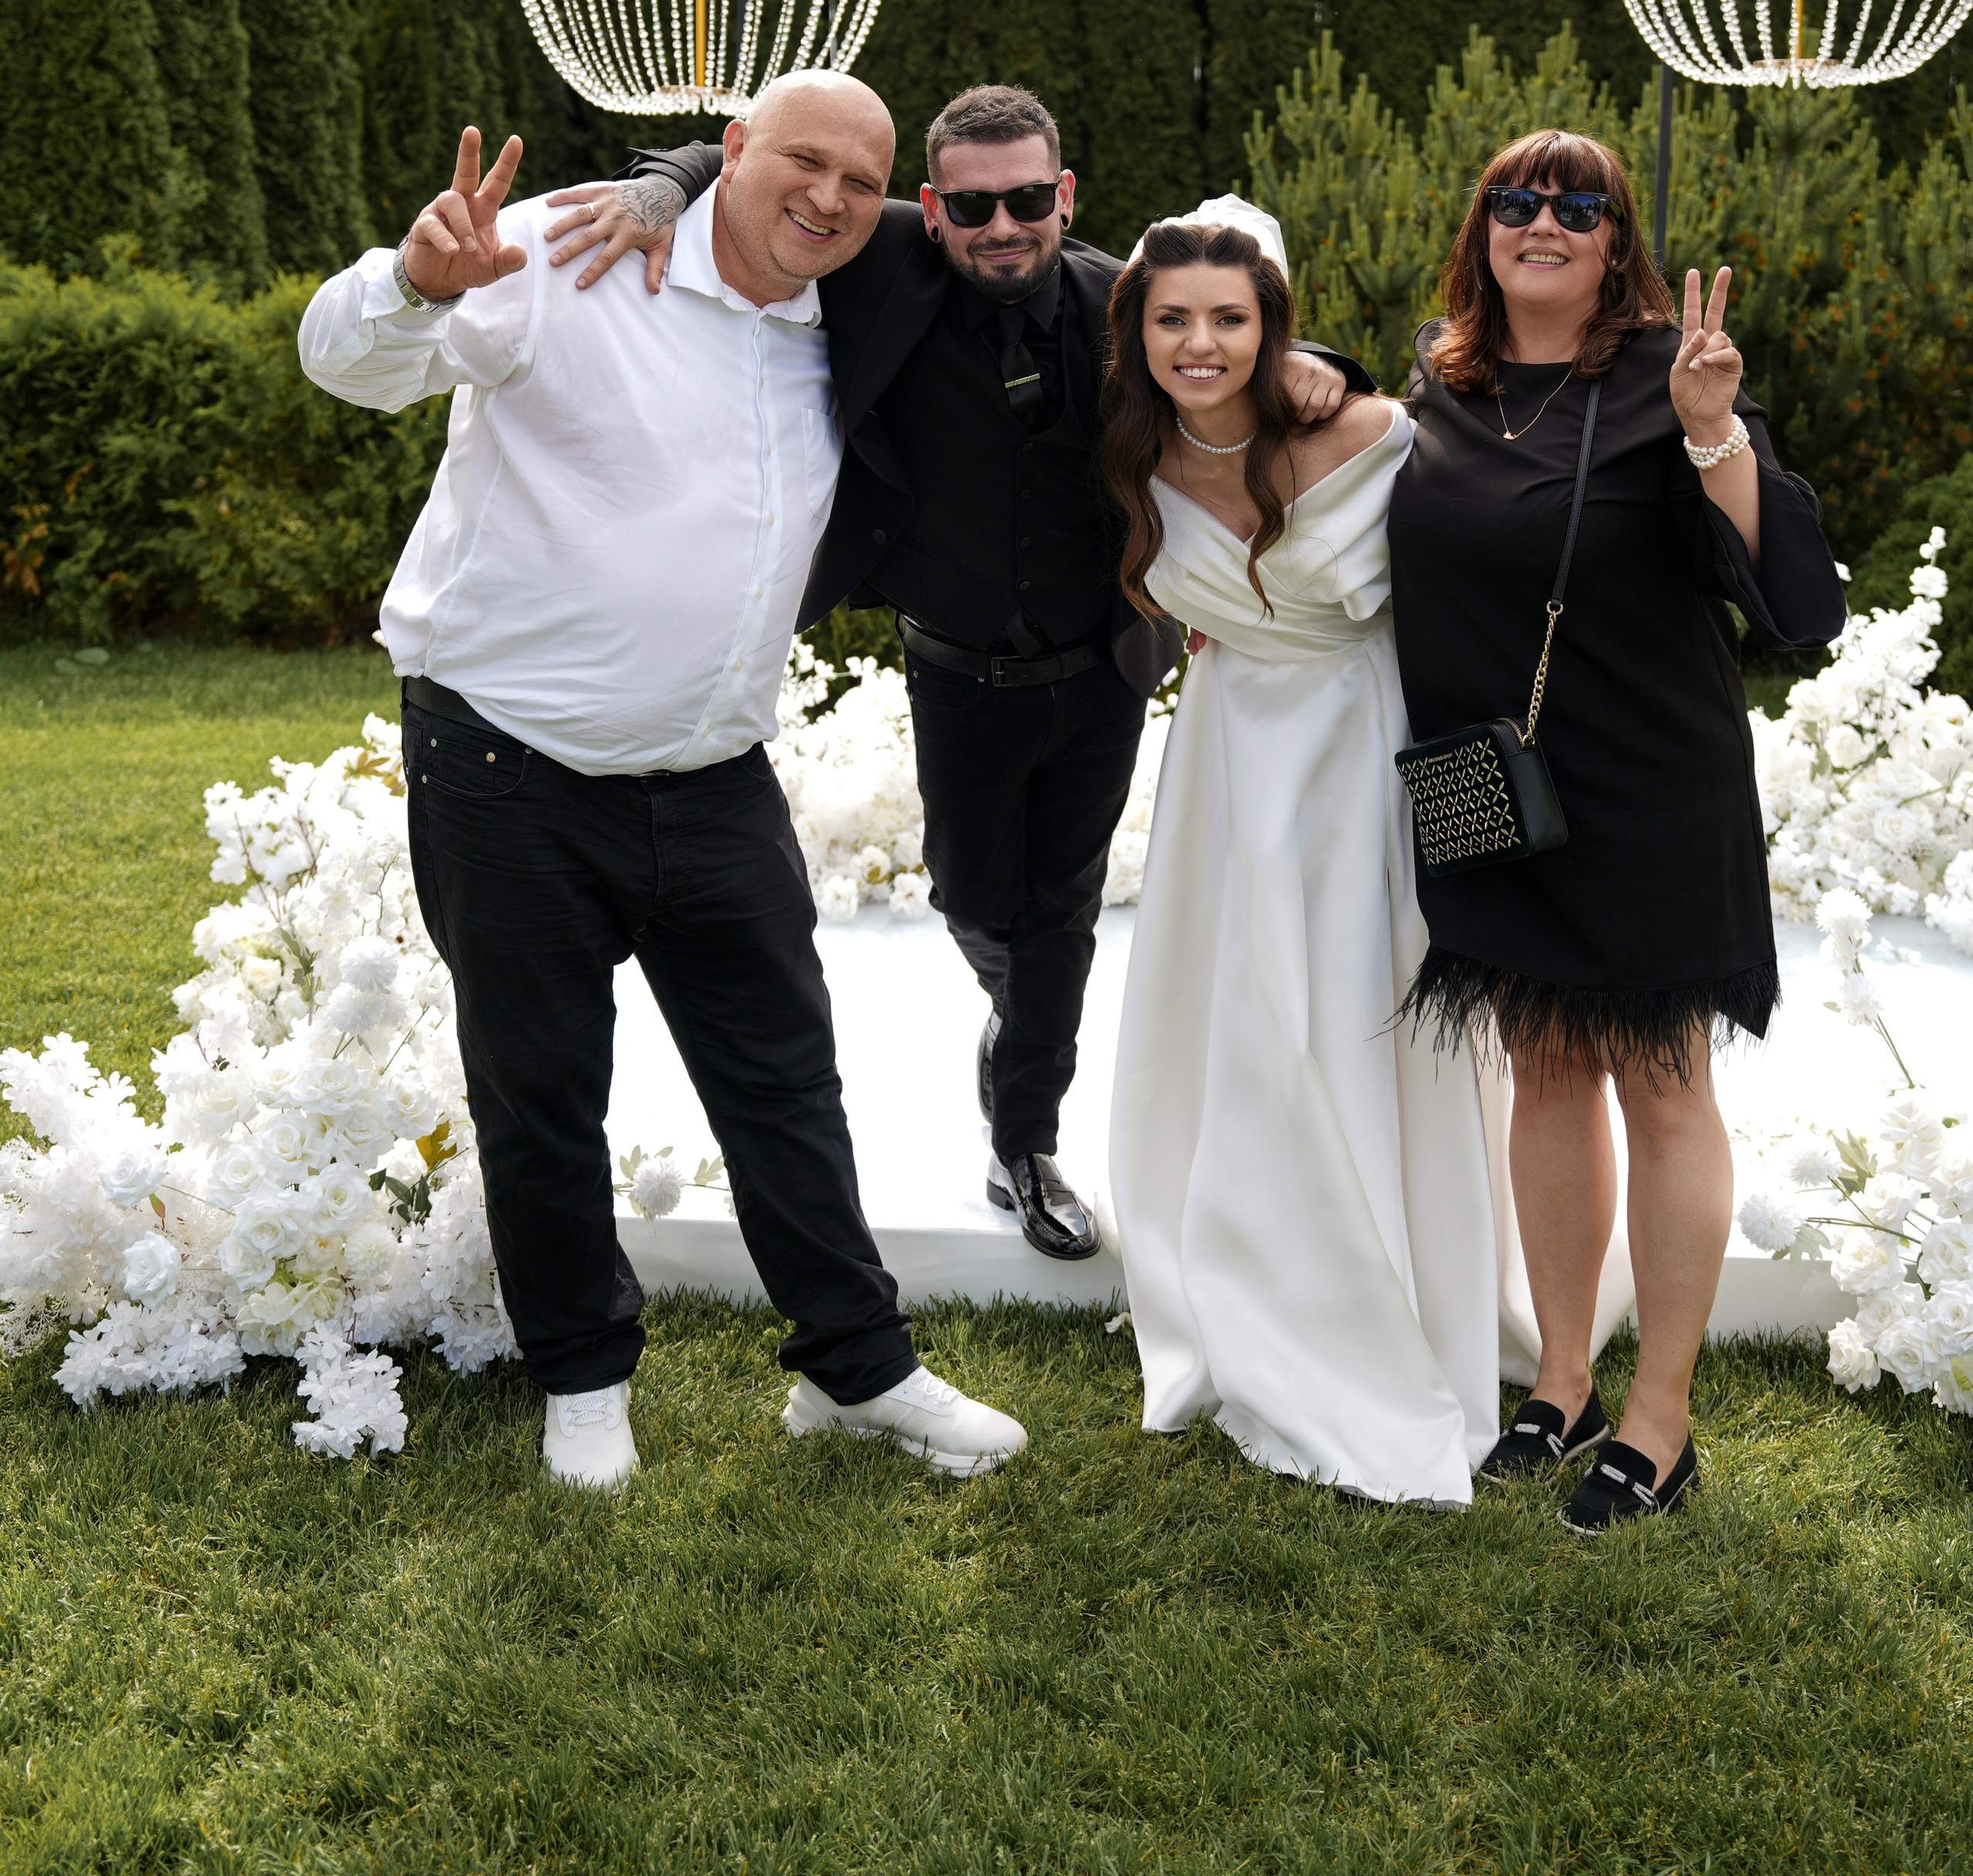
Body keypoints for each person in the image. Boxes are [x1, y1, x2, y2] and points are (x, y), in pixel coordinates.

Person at [296, 80, 1027, 1489]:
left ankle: (856, 1368)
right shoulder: (570, 254)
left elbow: (1037, 250)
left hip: (715, 775)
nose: (829, 199)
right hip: (508, 764)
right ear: (733, 150)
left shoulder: (858, 299)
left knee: (786, 1082)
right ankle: (581, 1379)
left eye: (861, 182)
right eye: (801, 161)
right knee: (541, 1092)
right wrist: (413, 282)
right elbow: (352, 365)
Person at [550, 88, 1370, 1263]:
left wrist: (1319, 368)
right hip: (955, 672)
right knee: (977, 904)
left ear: (1064, 196)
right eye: (973, 207)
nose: (1003, 226)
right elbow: (750, 167)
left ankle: (1024, 1143)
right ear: (931, 208)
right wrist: (658, 187)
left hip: (1104, 669)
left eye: (1027, 200)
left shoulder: (1122, 303)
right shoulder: (875, 261)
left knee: (1061, 917)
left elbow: (1232, 341)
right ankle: (1021, 1013)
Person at [1387, 131, 1845, 1531]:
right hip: (1498, 791)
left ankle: (1662, 1417)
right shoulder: (1440, 379)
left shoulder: (1669, 373)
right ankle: (1564, 1380)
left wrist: (1715, 433)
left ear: (1615, 239)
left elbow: (1793, 601)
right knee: (1543, 1067)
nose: (1545, 222)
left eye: (1577, 206)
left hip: (1650, 788)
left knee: (1660, 1080)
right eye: (1516, 201)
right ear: (1481, 230)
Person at [1099, 200, 1504, 1504]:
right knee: (1246, 1021)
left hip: (1367, 750)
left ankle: (1401, 1281)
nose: (1200, 343)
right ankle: (1255, 1267)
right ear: (1137, 331)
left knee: (1362, 1011)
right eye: (1174, 319)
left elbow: (1479, 572)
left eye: (1230, 318)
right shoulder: (1133, 455)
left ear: (1274, 326)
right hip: (1231, 760)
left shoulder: (1372, 431)